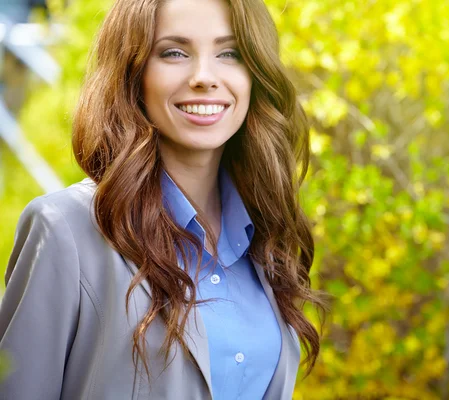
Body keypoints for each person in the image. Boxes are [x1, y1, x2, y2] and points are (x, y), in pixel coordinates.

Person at [0, 0, 326, 398]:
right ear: (133, 73)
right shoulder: (64, 229)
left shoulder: (267, 237)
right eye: (174, 52)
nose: (204, 77)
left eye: (230, 53)